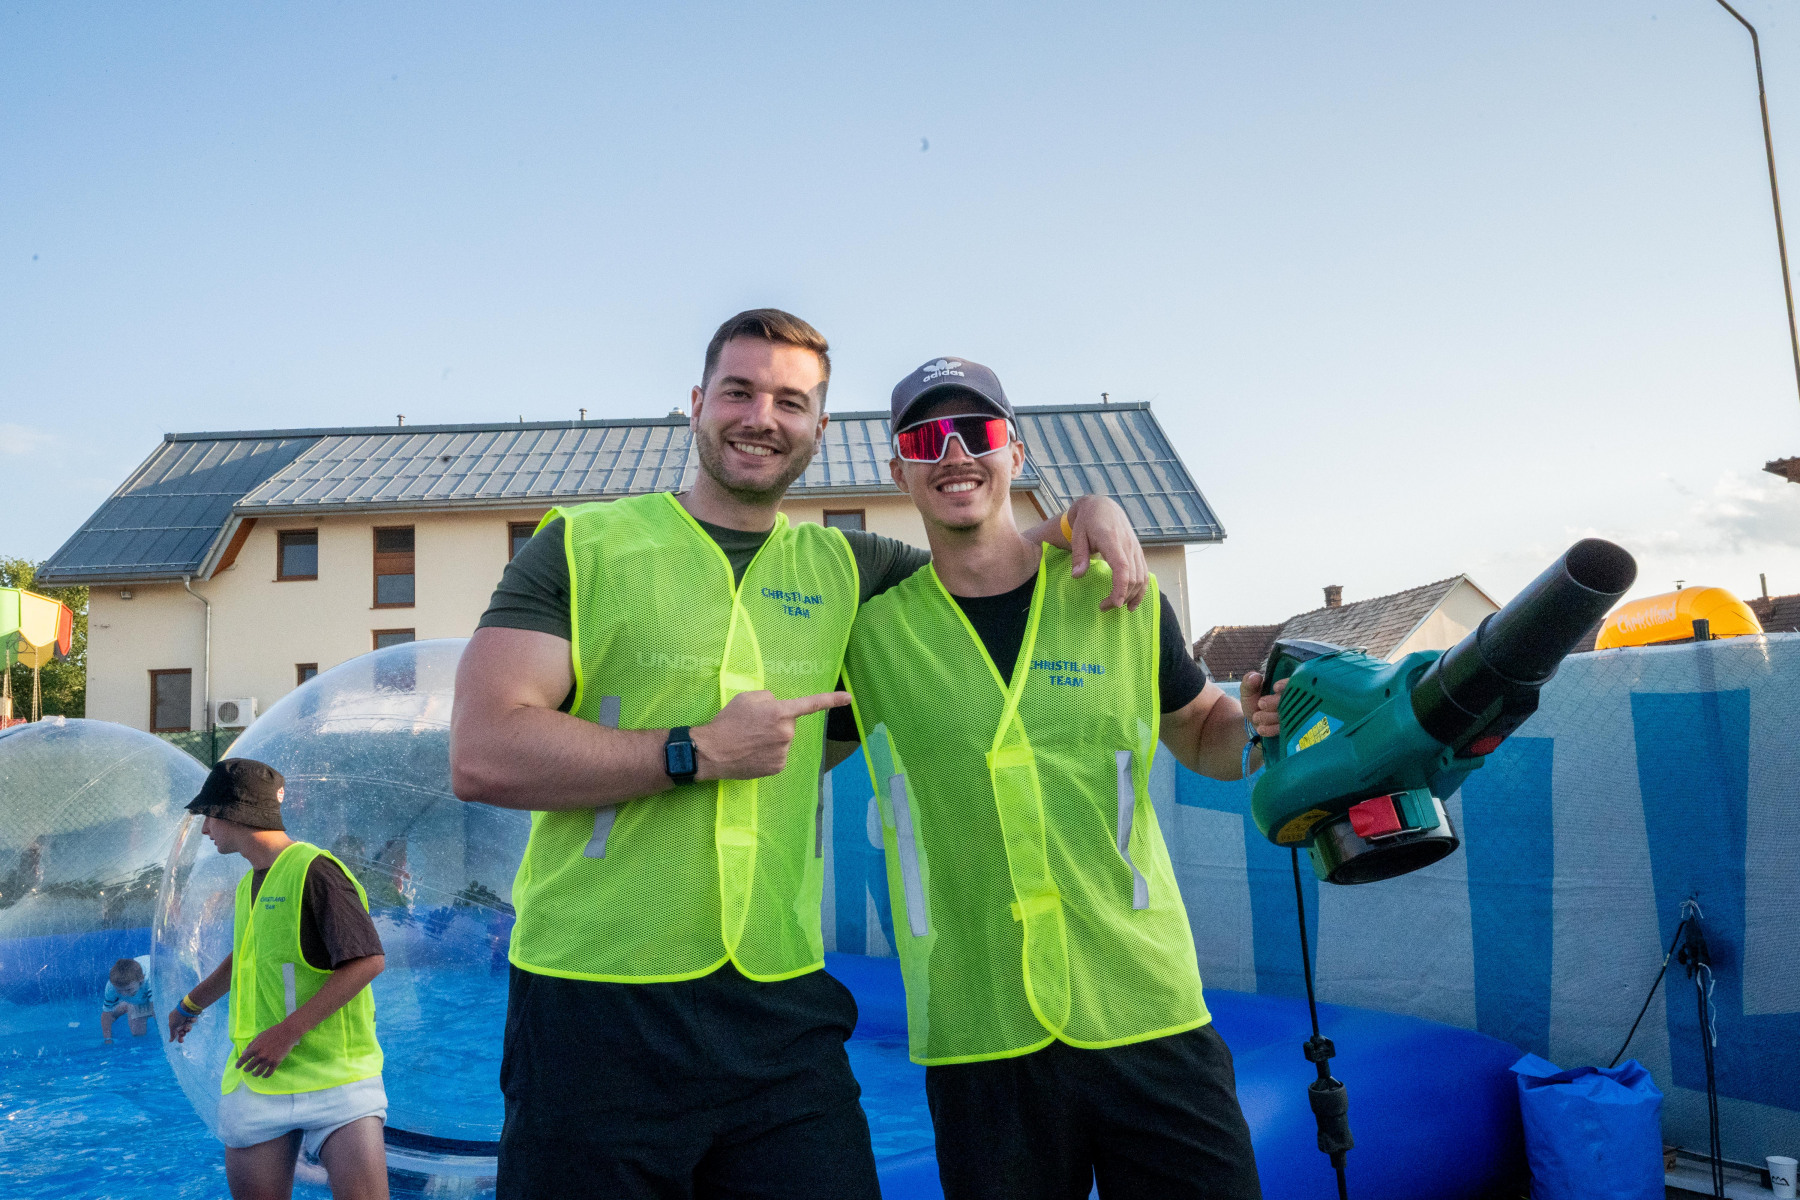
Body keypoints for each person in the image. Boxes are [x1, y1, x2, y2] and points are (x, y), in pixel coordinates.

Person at [450, 308, 1153, 1200]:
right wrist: (694, 751)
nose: (762, 418)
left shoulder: (853, 569)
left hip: (781, 1010)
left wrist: (1087, 511)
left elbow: (988, 560)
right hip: (591, 1005)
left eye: (791, 402)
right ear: (697, 403)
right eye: (739, 392)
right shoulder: (584, 546)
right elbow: (483, 750)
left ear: (819, 429)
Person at [836, 358, 1284, 1200]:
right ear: (898, 471)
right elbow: (787, 756)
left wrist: (1258, 727)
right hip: (979, 1028)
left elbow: (1202, 732)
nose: (955, 454)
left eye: (978, 433)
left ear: (1016, 451)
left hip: (1145, 1003)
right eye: (926, 440)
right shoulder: (869, 635)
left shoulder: (1119, 595)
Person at [166, 758, 390, 1200]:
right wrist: (190, 1004)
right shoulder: (250, 884)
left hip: (337, 1079)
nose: (206, 829)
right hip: (257, 1078)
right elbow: (247, 956)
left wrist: (286, 1033)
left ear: (235, 812)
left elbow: (368, 961)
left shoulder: (316, 871)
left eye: (209, 815)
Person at [100, 956, 154, 1043]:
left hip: (160, 988)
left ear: (141, 980)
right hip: (140, 994)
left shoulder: (150, 979)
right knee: (138, 1034)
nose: (124, 994)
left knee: (164, 1021)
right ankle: (126, 1005)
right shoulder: (111, 987)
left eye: (128, 989)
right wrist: (107, 1039)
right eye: (119, 991)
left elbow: (156, 1009)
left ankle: (124, 1006)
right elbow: (106, 1013)